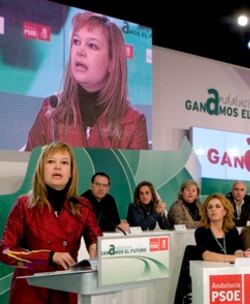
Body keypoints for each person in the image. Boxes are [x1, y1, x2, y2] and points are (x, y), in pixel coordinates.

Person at [25, 11, 148, 151]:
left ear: (111, 63)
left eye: (92, 45)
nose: (79, 51)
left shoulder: (133, 122)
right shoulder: (51, 109)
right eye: (76, 42)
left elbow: (132, 173)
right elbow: (30, 168)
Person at [0, 142, 102, 304]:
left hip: (66, 291)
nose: (57, 167)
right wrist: (48, 257)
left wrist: (96, 249)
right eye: (51, 161)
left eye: (64, 162)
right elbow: (6, 252)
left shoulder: (83, 206)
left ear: (70, 172)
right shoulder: (24, 205)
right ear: (41, 169)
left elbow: (96, 240)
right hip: (30, 292)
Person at [195, 193, 250, 262]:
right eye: (210, 207)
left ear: (225, 212)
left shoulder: (232, 230)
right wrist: (233, 258)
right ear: (206, 212)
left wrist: (244, 254)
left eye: (217, 206)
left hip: (230, 270)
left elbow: (238, 250)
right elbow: (206, 255)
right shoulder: (201, 231)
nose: (213, 209)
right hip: (210, 270)